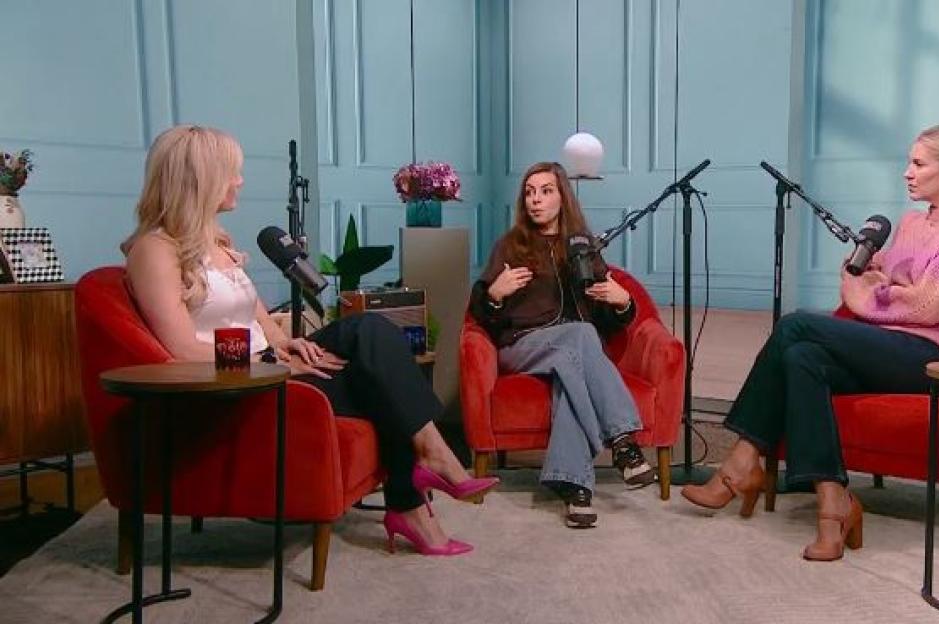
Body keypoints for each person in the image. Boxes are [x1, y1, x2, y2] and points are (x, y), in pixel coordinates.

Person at [122, 124, 497, 557]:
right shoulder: (155, 250)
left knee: (373, 334)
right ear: (199, 179)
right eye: (231, 172)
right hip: (236, 385)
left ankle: (420, 483)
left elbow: (262, 322)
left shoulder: (218, 244)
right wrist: (270, 360)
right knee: (374, 372)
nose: (240, 181)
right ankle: (420, 482)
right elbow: (181, 350)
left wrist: (285, 344)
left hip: (266, 362)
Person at [682, 125, 939, 561]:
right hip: (890, 346)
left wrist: (875, 293)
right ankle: (835, 502)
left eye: (918, 163)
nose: (907, 172)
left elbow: (927, 305)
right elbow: (863, 277)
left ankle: (741, 461)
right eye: (909, 162)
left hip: (937, 359)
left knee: (794, 326)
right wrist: (877, 289)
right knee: (801, 355)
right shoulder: (911, 223)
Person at [468, 161, 656, 528]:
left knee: (574, 366)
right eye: (530, 192)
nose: (536, 200)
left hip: (572, 353)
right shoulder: (511, 245)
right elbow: (480, 313)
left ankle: (574, 487)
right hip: (523, 345)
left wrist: (622, 302)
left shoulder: (583, 246)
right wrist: (494, 293)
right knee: (582, 337)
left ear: (562, 198)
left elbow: (607, 321)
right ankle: (622, 440)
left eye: (546, 191)